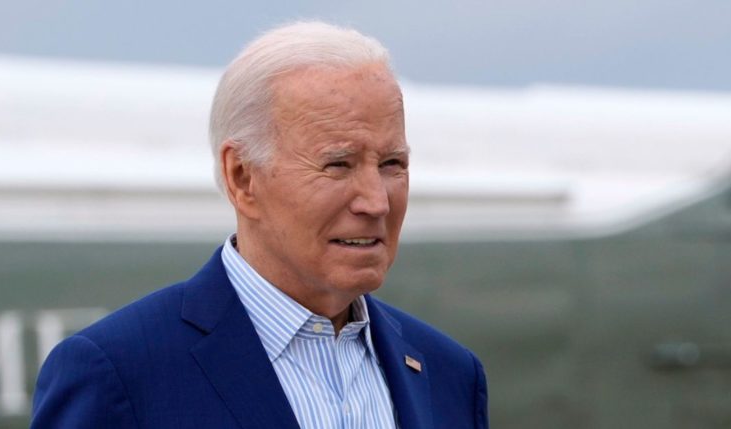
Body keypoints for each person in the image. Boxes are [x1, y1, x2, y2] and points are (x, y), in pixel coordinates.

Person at [31, 21, 488, 429]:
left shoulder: (450, 376)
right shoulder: (119, 375)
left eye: (392, 163)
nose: (376, 201)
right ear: (241, 177)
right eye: (338, 165)